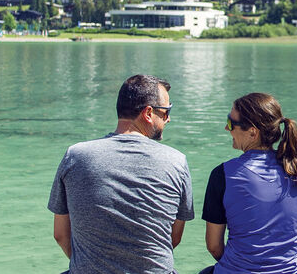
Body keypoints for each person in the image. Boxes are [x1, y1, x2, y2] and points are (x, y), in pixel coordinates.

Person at [48, 74, 194, 274]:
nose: (169, 118)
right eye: (166, 111)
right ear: (148, 113)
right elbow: (173, 239)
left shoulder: (75, 156)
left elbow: (60, 235)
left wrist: (89, 264)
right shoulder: (177, 162)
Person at [201, 93, 297, 274]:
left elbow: (214, 246)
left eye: (231, 123)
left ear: (253, 132)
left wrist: (242, 265)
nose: (226, 128)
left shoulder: (223, 175)